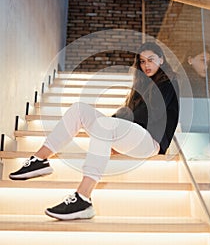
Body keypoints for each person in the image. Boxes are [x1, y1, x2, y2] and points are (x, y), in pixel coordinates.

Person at [9, 42, 179, 220]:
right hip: (132, 135)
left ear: (161, 59)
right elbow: (126, 112)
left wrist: (112, 130)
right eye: (142, 61)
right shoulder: (141, 84)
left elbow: (151, 114)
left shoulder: (169, 82)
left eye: (151, 60)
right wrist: (112, 134)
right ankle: (40, 159)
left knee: (106, 125)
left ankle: (83, 197)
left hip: (151, 141)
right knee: (79, 109)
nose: (146, 65)